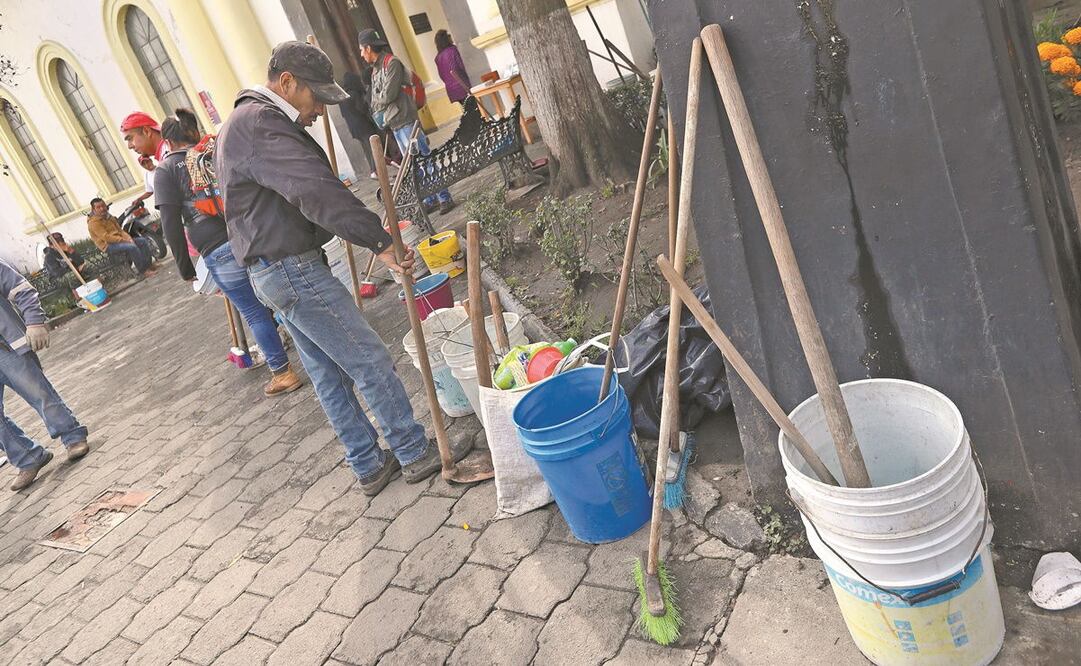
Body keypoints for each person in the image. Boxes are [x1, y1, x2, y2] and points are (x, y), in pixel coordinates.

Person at [215, 41, 471, 496]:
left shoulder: (251, 123)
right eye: (316, 98)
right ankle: (414, 452)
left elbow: (302, 188)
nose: (319, 112)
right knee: (366, 357)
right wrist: (381, 241)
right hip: (290, 269)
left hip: (275, 270)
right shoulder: (259, 124)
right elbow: (314, 191)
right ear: (287, 82)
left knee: (327, 372)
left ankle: (369, 465)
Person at [155, 107, 304, 397]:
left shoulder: (166, 170)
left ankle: (283, 372)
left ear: (167, 142)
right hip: (250, 234)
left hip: (218, 249)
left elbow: (170, 224)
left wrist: (186, 269)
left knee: (254, 312)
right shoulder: (213, 151)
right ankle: (319, 351)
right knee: (278, 297)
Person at [0, 259, 90, 491]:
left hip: (7, 348)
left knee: (39, 394)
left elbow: (21, 289)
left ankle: (72, 437)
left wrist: (34, 322)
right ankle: (28, 458)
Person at [360, 28, 456, 215]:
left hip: (406, 120)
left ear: (369, 48)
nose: (362, 55)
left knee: (424, 160)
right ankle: (430, 199)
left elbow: (388, 95)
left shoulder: (392, 63)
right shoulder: (375, 70)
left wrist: (378, 99)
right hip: (395, 123)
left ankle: (445, 197)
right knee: (413, 164)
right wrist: (378, 99)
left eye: (362, 50)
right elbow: (375, 99)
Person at [86, 198, 156, 277]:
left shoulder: (109, 217)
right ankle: (143, 271)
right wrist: (124, 240)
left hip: (120, 240)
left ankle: (149, 265)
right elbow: (106, 237)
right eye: (98, 207)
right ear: (93, 209)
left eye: (103, 206)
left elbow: (120, 230)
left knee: (142, 241)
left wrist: (129, 238)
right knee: (132, 247)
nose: (102, 209)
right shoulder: (93, 223)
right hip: (108, 245)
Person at [120, 111, 168, 206]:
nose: (130, 146)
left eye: (130, 139)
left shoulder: (170, 153)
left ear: (147, 131)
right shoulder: (165, 154)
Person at [340, 70, 381, 179]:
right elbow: (362, 108)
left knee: (366, 149)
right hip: (364, 125)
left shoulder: (342, 97)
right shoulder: (354, 94)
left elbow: (343, 115)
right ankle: (374, 170)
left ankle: (373, 170)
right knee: (372, 147)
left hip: (354, 128)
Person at [434, 30, 472, 105]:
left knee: (467, 109)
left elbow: (441, 75)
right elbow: (462, 66)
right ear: (446, 39)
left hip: (451, 89)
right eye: (449, 36)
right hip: (463, 85)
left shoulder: (438, 58)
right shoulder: (453, 50)